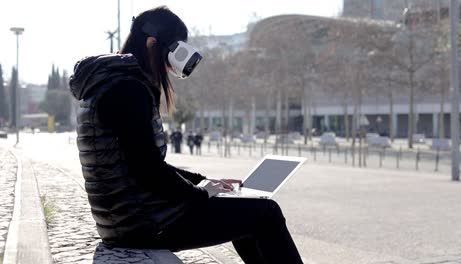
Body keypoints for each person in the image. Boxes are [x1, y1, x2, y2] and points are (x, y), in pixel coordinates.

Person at [69, 6, 303, 264]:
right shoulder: (128, 90)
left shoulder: (112, 83)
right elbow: (147, 171)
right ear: (151, 43)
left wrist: (205, 182)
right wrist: (201, 194)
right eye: (175, 48)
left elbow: (145, 163)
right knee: (266, 213)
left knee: (246, 212)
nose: (173, 61)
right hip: (143, 223)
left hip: (129, 218)